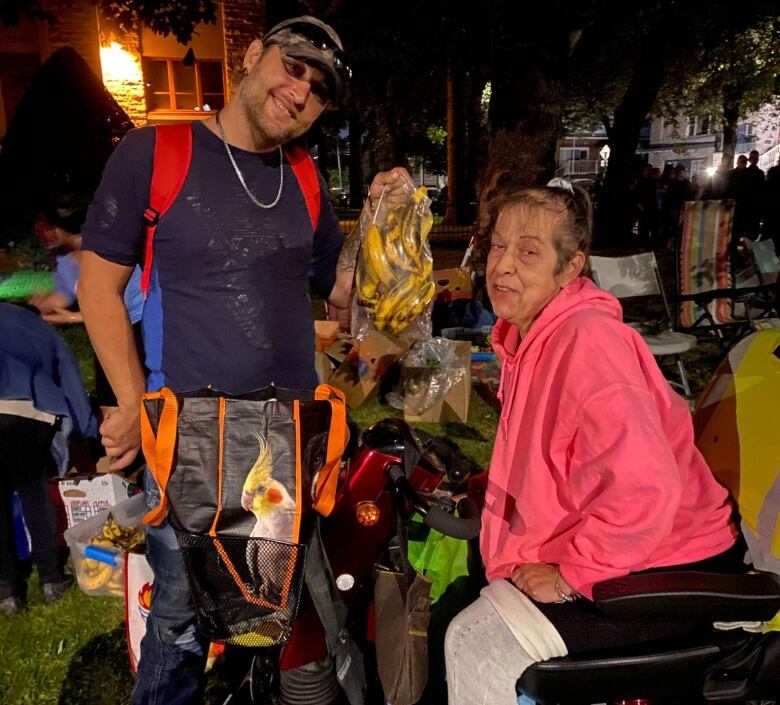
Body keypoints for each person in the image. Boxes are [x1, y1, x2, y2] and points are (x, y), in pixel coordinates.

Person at [78, 15, 413, 705]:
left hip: (290, 441)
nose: (301, 91)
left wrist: (376, 220)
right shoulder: (156, 153)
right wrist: (135, 404)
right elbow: (97, 287)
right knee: (180, 621)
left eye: (319, 89)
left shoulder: (304, 175)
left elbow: (338, 294)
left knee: (274, 607)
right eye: (293, 67)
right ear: (254, 55)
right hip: (191, 438)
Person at [443, 181, 739, 705]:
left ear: (570, 267)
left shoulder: (587, 343)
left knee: (474, 640)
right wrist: (498, 488)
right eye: (498, 246)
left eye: (529, 251)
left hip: (663, 563)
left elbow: (643, 490)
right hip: (630, 549)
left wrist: (571, 577)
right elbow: (566, 458)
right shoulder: (530, 338)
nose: (503, 265)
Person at [0, 303, 97, 614]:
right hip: (29, 413)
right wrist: (85, 427)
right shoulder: (34, 323)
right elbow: (68, 371)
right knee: (34, 490)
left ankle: (7, 593)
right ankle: (52, 579)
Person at [28, 192, 144, 413]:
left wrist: (72, 318)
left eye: (46, 227)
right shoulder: (63, 258)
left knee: (132, 408)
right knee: (109, 411)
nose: (39, 232)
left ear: (63, 227)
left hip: (134, 333)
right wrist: (33, 308)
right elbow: (63, 295)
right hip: (104, 336)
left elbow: (124, 306)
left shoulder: (107, 253)